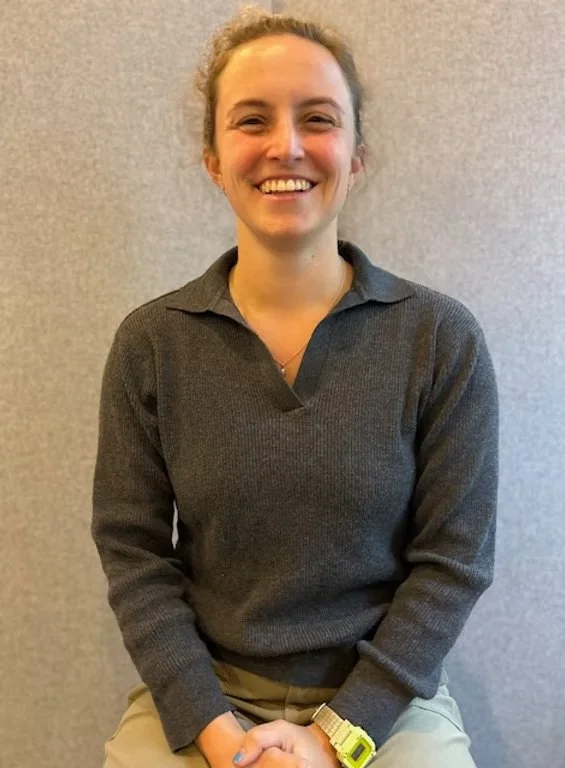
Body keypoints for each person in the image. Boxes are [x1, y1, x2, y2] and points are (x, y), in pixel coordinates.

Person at [92, 6, 498, 768]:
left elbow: (452, 564)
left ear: (355, 156)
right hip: (206, 693)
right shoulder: (151, 345)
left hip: (382, 700)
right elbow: (135, 557)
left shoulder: (440, 340)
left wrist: (333, 738)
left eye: (317, 118)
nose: (286, 146)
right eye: (251, 120)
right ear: (212, 158)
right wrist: (220, 738)